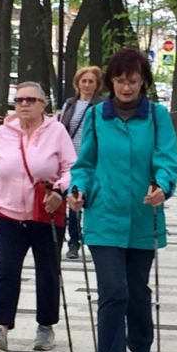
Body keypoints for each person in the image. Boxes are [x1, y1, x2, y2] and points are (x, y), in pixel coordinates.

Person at [65, 48, 177, 352]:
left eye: (132, 81)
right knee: (113, 292)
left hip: (143, 217)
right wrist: (78, 189)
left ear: (143, 81)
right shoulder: (97, 117)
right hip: (104, 217)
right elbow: (85, 164)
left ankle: (141, 342)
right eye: (119, 81)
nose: (126, 88)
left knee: (136, 292)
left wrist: (162, 185)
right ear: (110, 82)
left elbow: (166, 159)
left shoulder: (157, 116)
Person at [0, 82, 77, 352]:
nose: (24, 104)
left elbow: (71, 167)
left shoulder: (56, 131)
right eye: (19, 100)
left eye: (31, 100)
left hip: (46, 212)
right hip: (10, 213)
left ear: (43, 104)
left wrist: (59, 190)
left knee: (47, 271)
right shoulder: (3, 133)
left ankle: (45, 326)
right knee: (6, 271)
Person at [58, 66, 105, 260]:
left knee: (87, 201)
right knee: (70, 201)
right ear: (77, 83)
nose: (87, 85)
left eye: (91, 81)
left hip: (91, 160)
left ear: (97, 85)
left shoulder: (102, 106)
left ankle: (91, 239)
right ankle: (71, 241)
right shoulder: (70, 104)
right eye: (83, 81)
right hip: (69, 160)